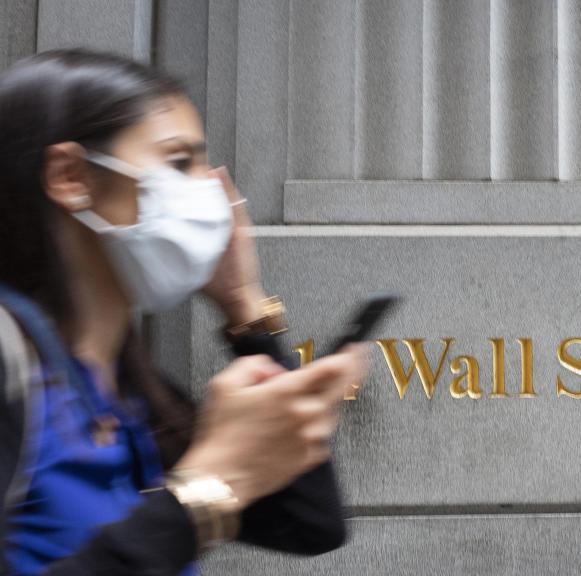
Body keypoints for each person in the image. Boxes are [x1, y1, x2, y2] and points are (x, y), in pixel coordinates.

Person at [0, 49, 367, 575]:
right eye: (180, 162)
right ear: (70, 176)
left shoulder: (131, 393)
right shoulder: (15, 368)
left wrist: (245, 308)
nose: (213, 192)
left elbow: (310, 524)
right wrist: (206, 489)